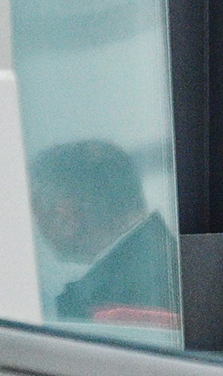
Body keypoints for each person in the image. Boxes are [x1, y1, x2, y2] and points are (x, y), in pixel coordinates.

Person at [31, 139, 179, 325]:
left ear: (65, 217)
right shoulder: (178, 266)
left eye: (39, 216)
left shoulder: (95, 307)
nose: (39, 232)